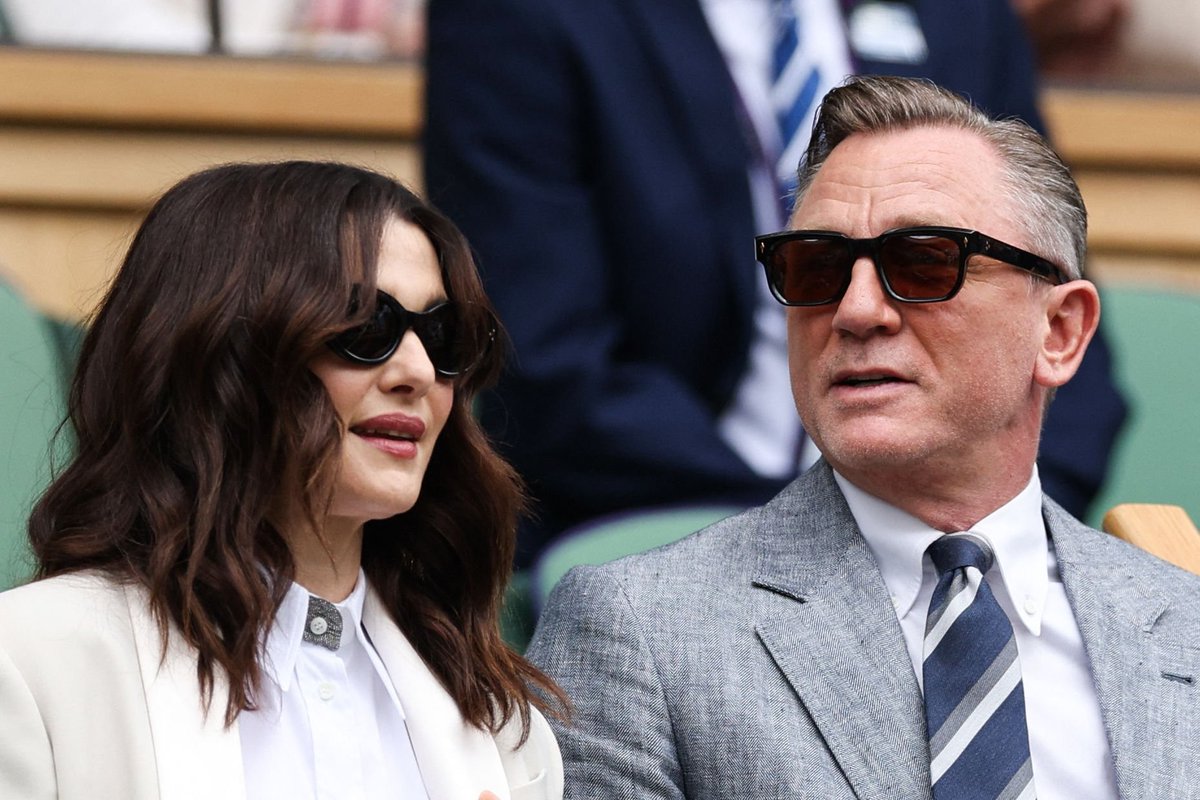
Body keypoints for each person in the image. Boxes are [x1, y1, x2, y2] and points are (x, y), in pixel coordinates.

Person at [527, 76, 1200, 799]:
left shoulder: (1180, 621)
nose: (856, 310)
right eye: (815, 266)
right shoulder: (639, 630)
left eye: (923, 262)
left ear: (1060, 332)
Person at [423, 0, 1127, 565]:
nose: (857, 309)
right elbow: (550, 365)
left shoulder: (960, 15)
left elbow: (1045, 309)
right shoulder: (517, 15)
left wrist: (1006, 523)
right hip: (662, 519)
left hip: (957, 527)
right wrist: (832, 531)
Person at [0, 161, 564, 799]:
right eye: (365, 325)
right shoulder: (27, 664)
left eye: (442, 335)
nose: (418, 370)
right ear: (218, 354)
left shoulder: (504, 729)